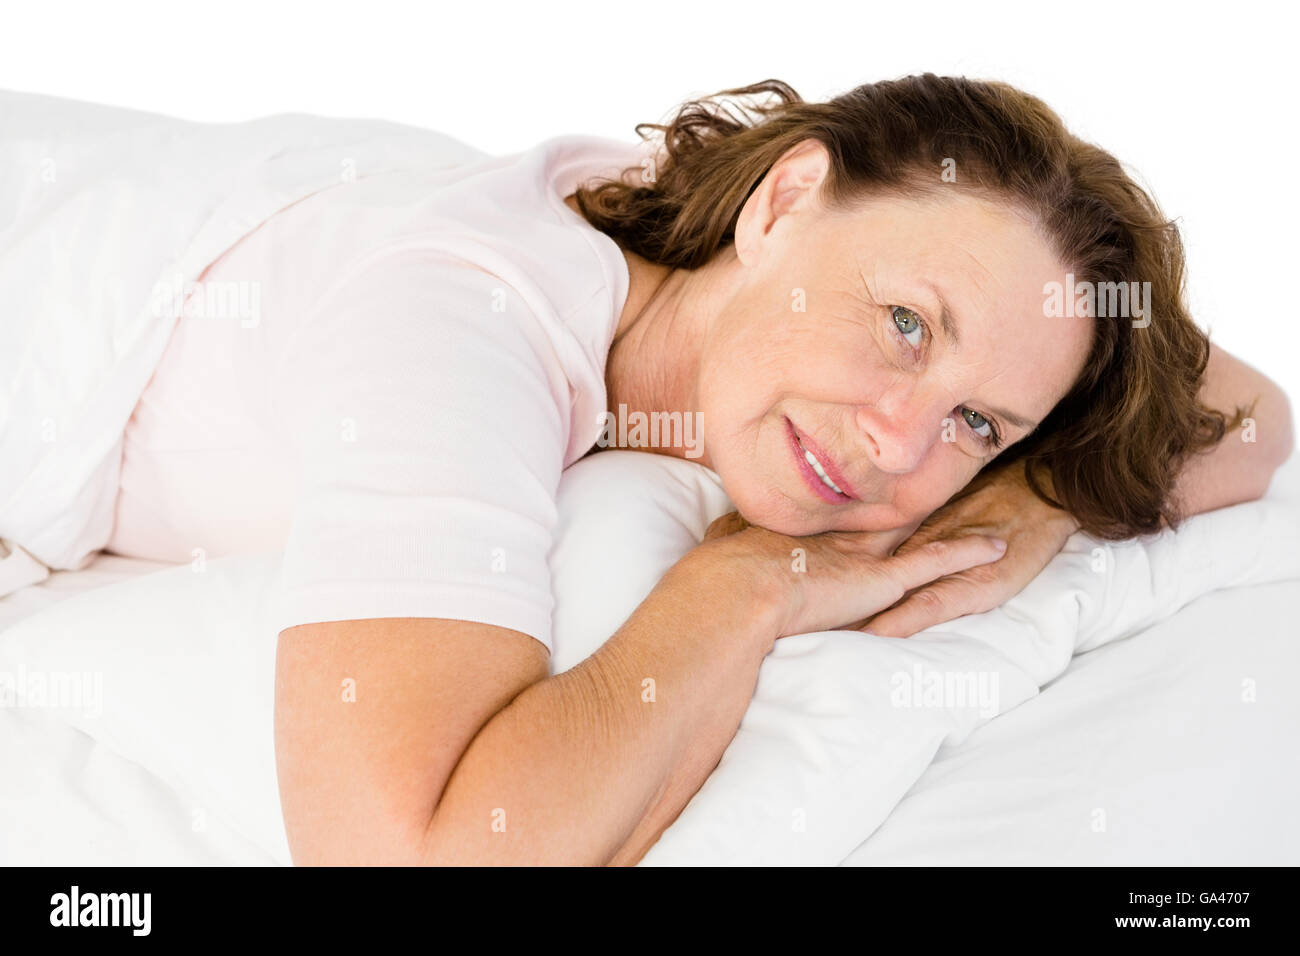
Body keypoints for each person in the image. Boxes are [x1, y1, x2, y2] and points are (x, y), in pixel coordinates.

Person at [102, 75, 1293, 864]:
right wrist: (743, 586)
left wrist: (1029, 502)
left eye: (978, 420)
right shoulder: (453, 328)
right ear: (782, 204)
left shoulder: (732, 301)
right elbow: (399, 858)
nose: (897, 442)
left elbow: (1251, 409)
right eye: (906, 327)